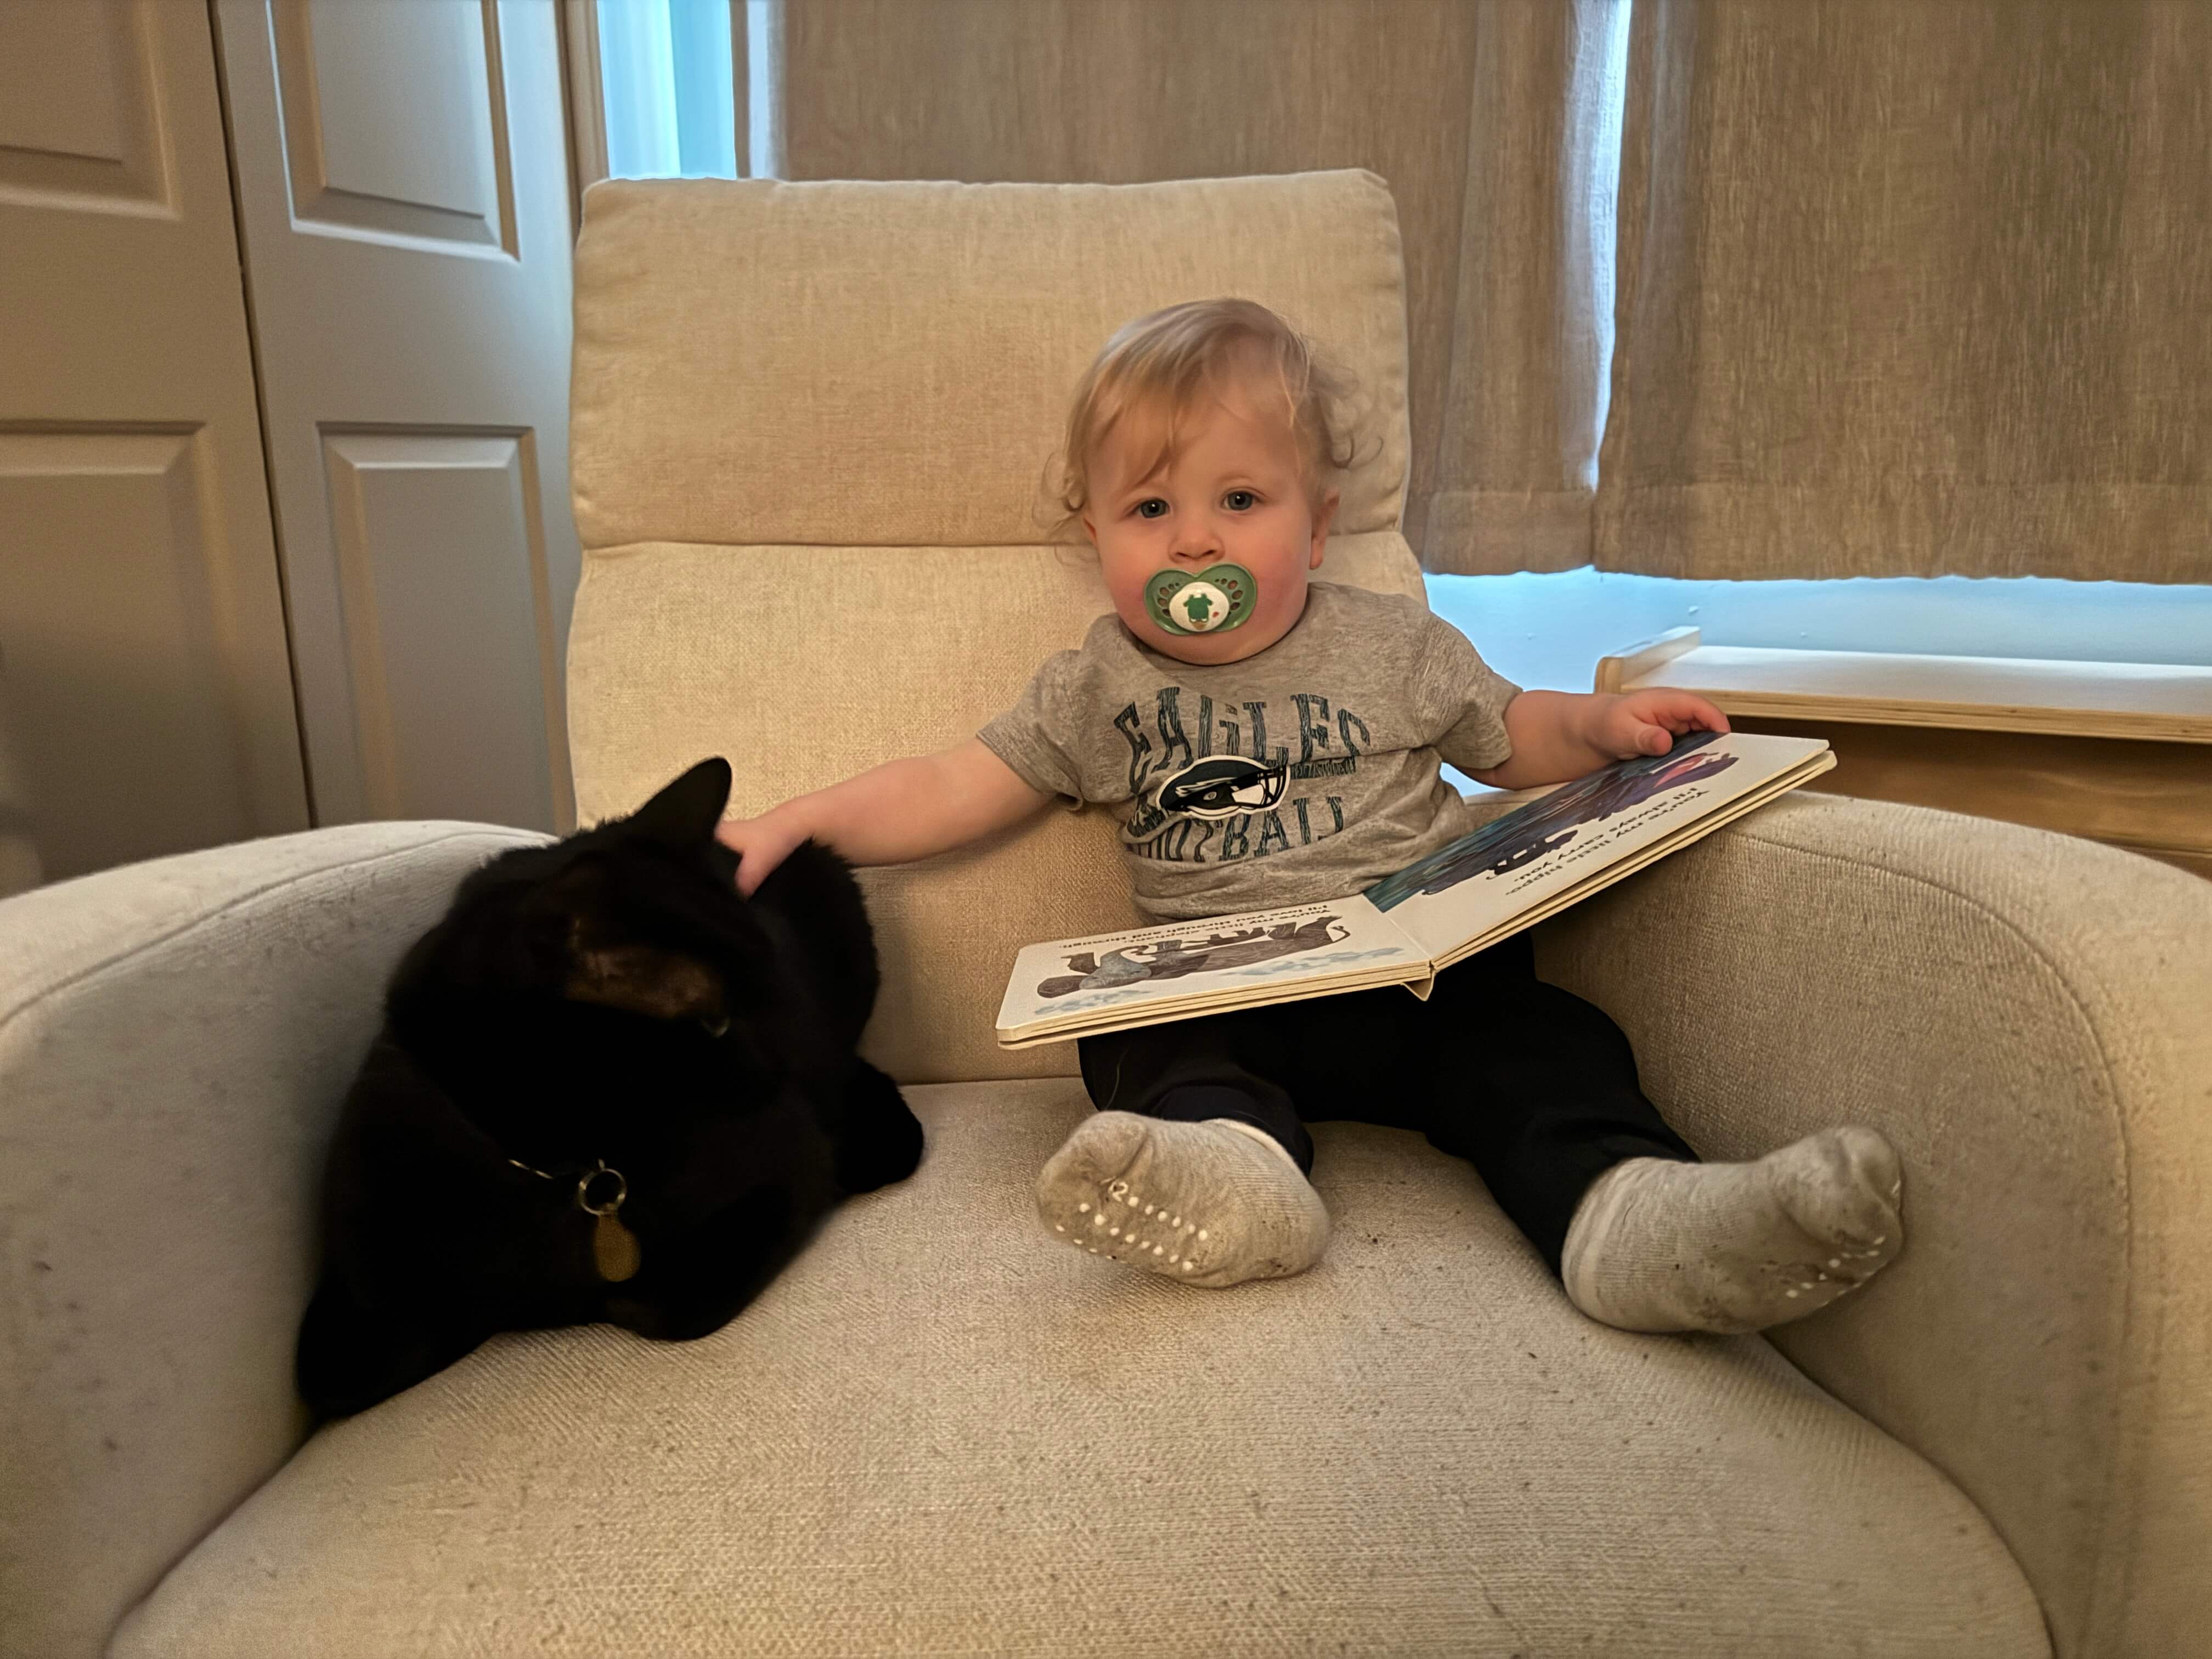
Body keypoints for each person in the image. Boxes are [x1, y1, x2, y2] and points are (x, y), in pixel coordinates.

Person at [715, 299, 1903, 1334]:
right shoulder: (1100, 685)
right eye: (1149, 509)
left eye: (1239, 499)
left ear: (1317, 525)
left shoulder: (1392, 645)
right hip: (1227, 996)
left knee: (1546, 1040)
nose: (1194, 541)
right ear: (1098, 539)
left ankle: (1629, 1214)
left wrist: (1599, 730)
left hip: (1425, 988)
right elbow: (953, 784)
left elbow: (1508, 729)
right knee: (1129, 1040)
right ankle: (1238, 1178)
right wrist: (793, 822)